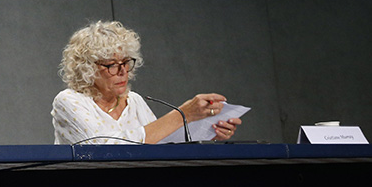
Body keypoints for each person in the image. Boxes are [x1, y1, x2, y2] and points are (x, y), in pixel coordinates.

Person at [51, 20, 241, 144]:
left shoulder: (134, 101)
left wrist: (208, 130)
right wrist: (182, 114)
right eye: (111, 65)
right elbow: (105, 148)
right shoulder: (69, 100)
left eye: (126, 62)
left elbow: (161, 144)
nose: (122, 71)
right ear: (87, 69)